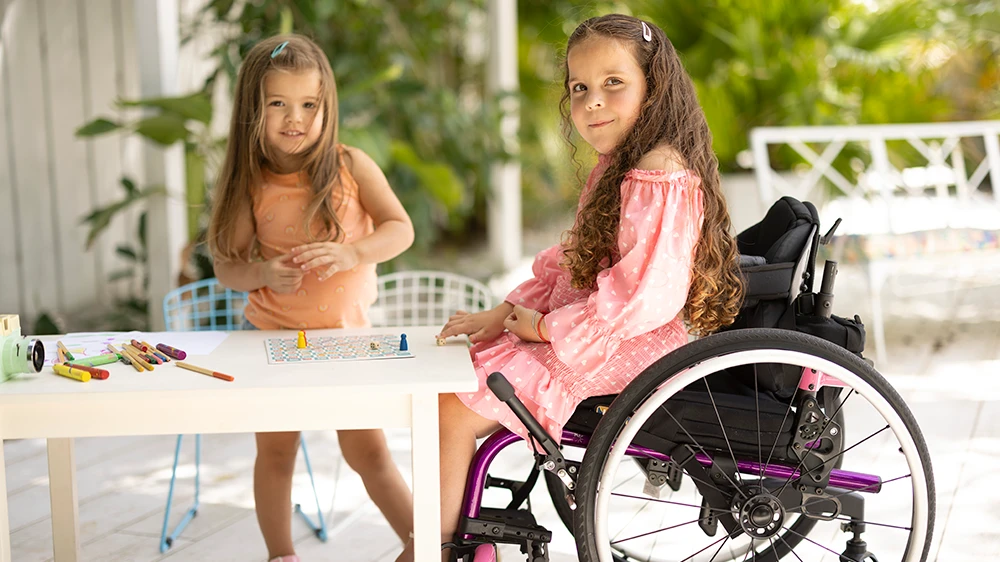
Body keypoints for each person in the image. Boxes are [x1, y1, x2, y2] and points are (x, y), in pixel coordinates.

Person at [395, 13, 745, 562]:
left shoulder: (659, 170)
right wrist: (508, 311)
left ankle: (433, 551)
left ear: (654, 87)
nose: (592, 101)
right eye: (579, 88)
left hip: (625, 345)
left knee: (455, 407)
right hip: (593, 333)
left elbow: (643, 296)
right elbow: (573, 264)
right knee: (457, 377)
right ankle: (451, 536)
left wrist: (545, 328)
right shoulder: (619, 166)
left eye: (613, 82)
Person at [207, 34, 415, 562]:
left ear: (327, 107)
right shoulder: (250, 184)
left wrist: (353, 253)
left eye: (308, 104)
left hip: (347, 342)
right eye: (278, 103)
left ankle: (426, 543)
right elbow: (227, 267)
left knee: (369, 452)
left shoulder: (351, 166)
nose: (294, 118)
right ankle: (281, 555)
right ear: (252, 109)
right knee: (276, 453)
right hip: (274, 342)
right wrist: (261, 272)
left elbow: (400, 229)